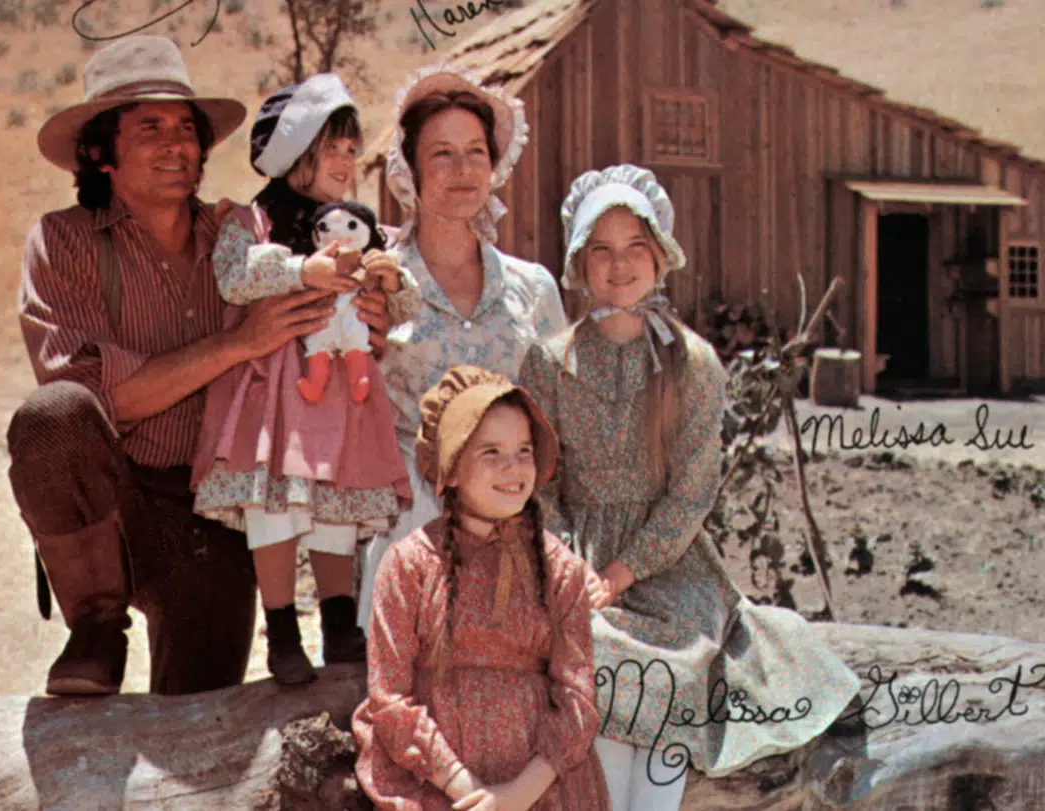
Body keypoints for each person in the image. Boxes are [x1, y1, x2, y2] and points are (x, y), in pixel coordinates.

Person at [9, 36, 391, 696]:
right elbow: (96, 398)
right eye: (150, 128)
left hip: (212, 509)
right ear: (100, 151)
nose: (176, 145)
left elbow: (316, 311)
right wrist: (237, 343)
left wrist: (365, 309)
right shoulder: (62, 240)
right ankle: (95, 627)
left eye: (186, 128)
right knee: (53, 416)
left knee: (202, 709)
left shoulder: (242, 235)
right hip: (115, 494)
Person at [518, 165, 863, 811]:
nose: (620, 264)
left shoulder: (692, 362)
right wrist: (572, 567)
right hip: (575, 558)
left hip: (668, 562)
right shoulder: (548, 361)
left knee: (670, 670)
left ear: (660, 255)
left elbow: (693, 491)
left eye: (635, 246)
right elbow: (539, 486)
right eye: (601, 249)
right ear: (579, 262)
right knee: (587, 654)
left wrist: (623, 571)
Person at [189, 74, 419, 686]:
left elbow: (403, 303)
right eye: (331, 148)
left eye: (352, 150)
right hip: (273, 398)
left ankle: (340, 624)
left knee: (337, 502)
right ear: (295, 152)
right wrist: (300, 271)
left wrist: (389, 284)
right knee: (275, 507)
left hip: (342, 395)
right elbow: (233, 276)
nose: (347, 162)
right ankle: (283, 631)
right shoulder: (253, 221)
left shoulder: (361, 229)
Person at [355, 63, 568, 631]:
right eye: (442, 154)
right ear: (411, 170)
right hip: (412, 510)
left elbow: (557, 415)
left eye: (476, 152)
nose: (462, 169)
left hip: (516, 503)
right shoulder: (377, 281)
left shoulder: (533, 287)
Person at [353, 365, 610, 811]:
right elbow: (389, 697)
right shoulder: (408, 564)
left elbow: (576, 699)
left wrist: (515, 796)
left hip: (541, 789)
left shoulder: (560, 570)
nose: (513, 467)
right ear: (451, 468)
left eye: (524, 450)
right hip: (435, 784)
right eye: (491, 451)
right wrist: (464, 788)